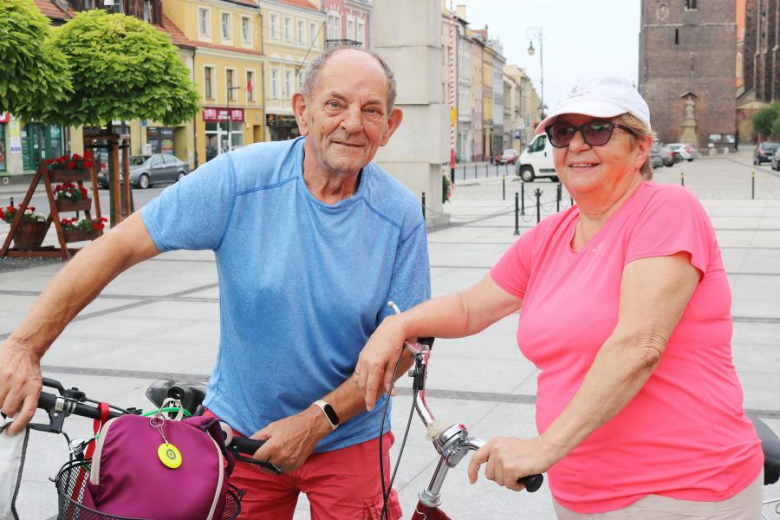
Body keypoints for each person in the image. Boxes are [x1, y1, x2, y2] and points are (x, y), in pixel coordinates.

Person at [0, 46, 430, 520]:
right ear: (302, 111)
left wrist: (317, 419)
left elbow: (405, 345)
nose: (352, 123)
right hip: (243, 434)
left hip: (348, 438)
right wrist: (24, 345)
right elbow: (117, 247)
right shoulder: (241, 179)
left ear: (389, 126)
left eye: (371, 110)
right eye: (335, 104)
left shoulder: (399, 214)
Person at [356, 75, 763, 519]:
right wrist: (399, 324)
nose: (578, 145)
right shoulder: (551, 234)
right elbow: (471, 307)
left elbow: (639, 345)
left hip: (681, 490)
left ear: (641, 148)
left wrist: (544, 448)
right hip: (579, 493)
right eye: (564, 132)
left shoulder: (667, 210)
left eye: (598, 130)